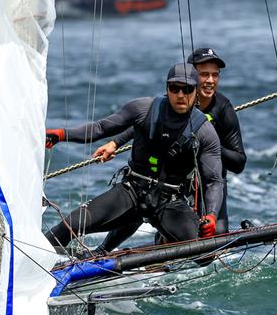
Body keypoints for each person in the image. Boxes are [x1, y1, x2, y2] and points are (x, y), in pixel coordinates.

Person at [44, 63, 223, 254]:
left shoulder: (205, 131)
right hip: (132, 192)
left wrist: (211, 216)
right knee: (69, 226)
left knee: (205, 254)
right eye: (174, 88)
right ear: (167, 89)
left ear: (196, 91)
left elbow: (213, 180)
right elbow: (100, 128)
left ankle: (162, 241)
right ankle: (41, 265)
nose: (180, 94)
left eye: (187, 89)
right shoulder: (143, 108)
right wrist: (61, 135)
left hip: (170, 201)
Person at [187, 47, 246, 233]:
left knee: (217, 239)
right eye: (204, 74)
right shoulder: (176, 103)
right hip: (177, 183)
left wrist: (209, 145)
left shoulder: (223, 108)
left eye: (215, 75)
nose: (210, 81)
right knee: (181, 237)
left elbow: (239, 163)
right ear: (190, 76)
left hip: (213, 181)